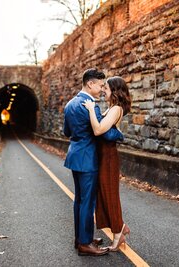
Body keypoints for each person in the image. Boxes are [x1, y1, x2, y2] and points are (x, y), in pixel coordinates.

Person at [63, 68, 124, 256]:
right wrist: (119, 134)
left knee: (79, 200)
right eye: (99, 85)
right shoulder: (90, 105)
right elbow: (104, 133)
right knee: (87, 202)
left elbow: (67, 132)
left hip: (74, 156)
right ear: (90, 84)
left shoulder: (70, 104)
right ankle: (85, 244)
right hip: (88, 159)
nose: (102, 89)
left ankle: (81, 237)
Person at [83, 76, 132, 251]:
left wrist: (90, 109)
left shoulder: (116, 109)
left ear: (115, 91)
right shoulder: (112, 108)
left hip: (109, 158)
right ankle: (121, 226)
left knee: (110, 194)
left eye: (107, 88)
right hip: (103, 156)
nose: (103, 90)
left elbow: (98, 130)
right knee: (103, 194)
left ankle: (118, 235)